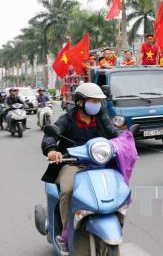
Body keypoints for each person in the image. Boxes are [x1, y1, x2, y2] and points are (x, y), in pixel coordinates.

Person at [41, 83, 119, 254]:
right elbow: (50, 135)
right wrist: (52, 150)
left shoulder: (101, 117)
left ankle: (111, 219)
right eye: (93, 101)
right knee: (68, 190)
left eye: (99, 101)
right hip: (71, 163)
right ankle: (65, 233)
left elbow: (114, 134)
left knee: (118, 187)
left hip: (97, 164)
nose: (97, 104)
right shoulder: (67, 119)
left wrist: (125, 143)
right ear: (80, 102)